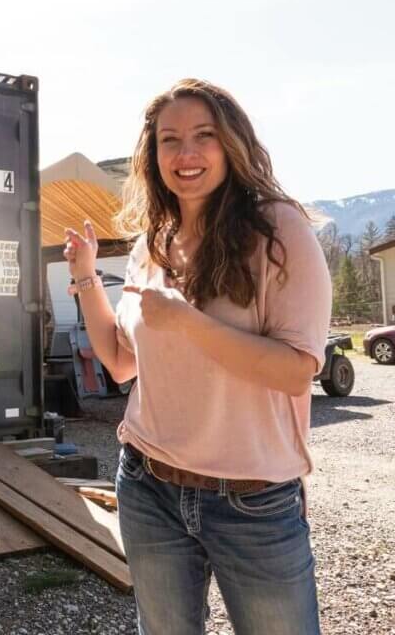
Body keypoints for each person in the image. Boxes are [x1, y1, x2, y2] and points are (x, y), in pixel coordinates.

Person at [63, 79, 331, 634]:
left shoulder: (278, 231)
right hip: (147, 484)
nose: (186, 154)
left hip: (252, 502)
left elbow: (296, 370)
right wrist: (85, 274)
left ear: (231, 143)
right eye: (169, 140)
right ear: (152, 154)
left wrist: (187, 321)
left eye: (203, 136)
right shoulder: (150, 245)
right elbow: (118, 362)